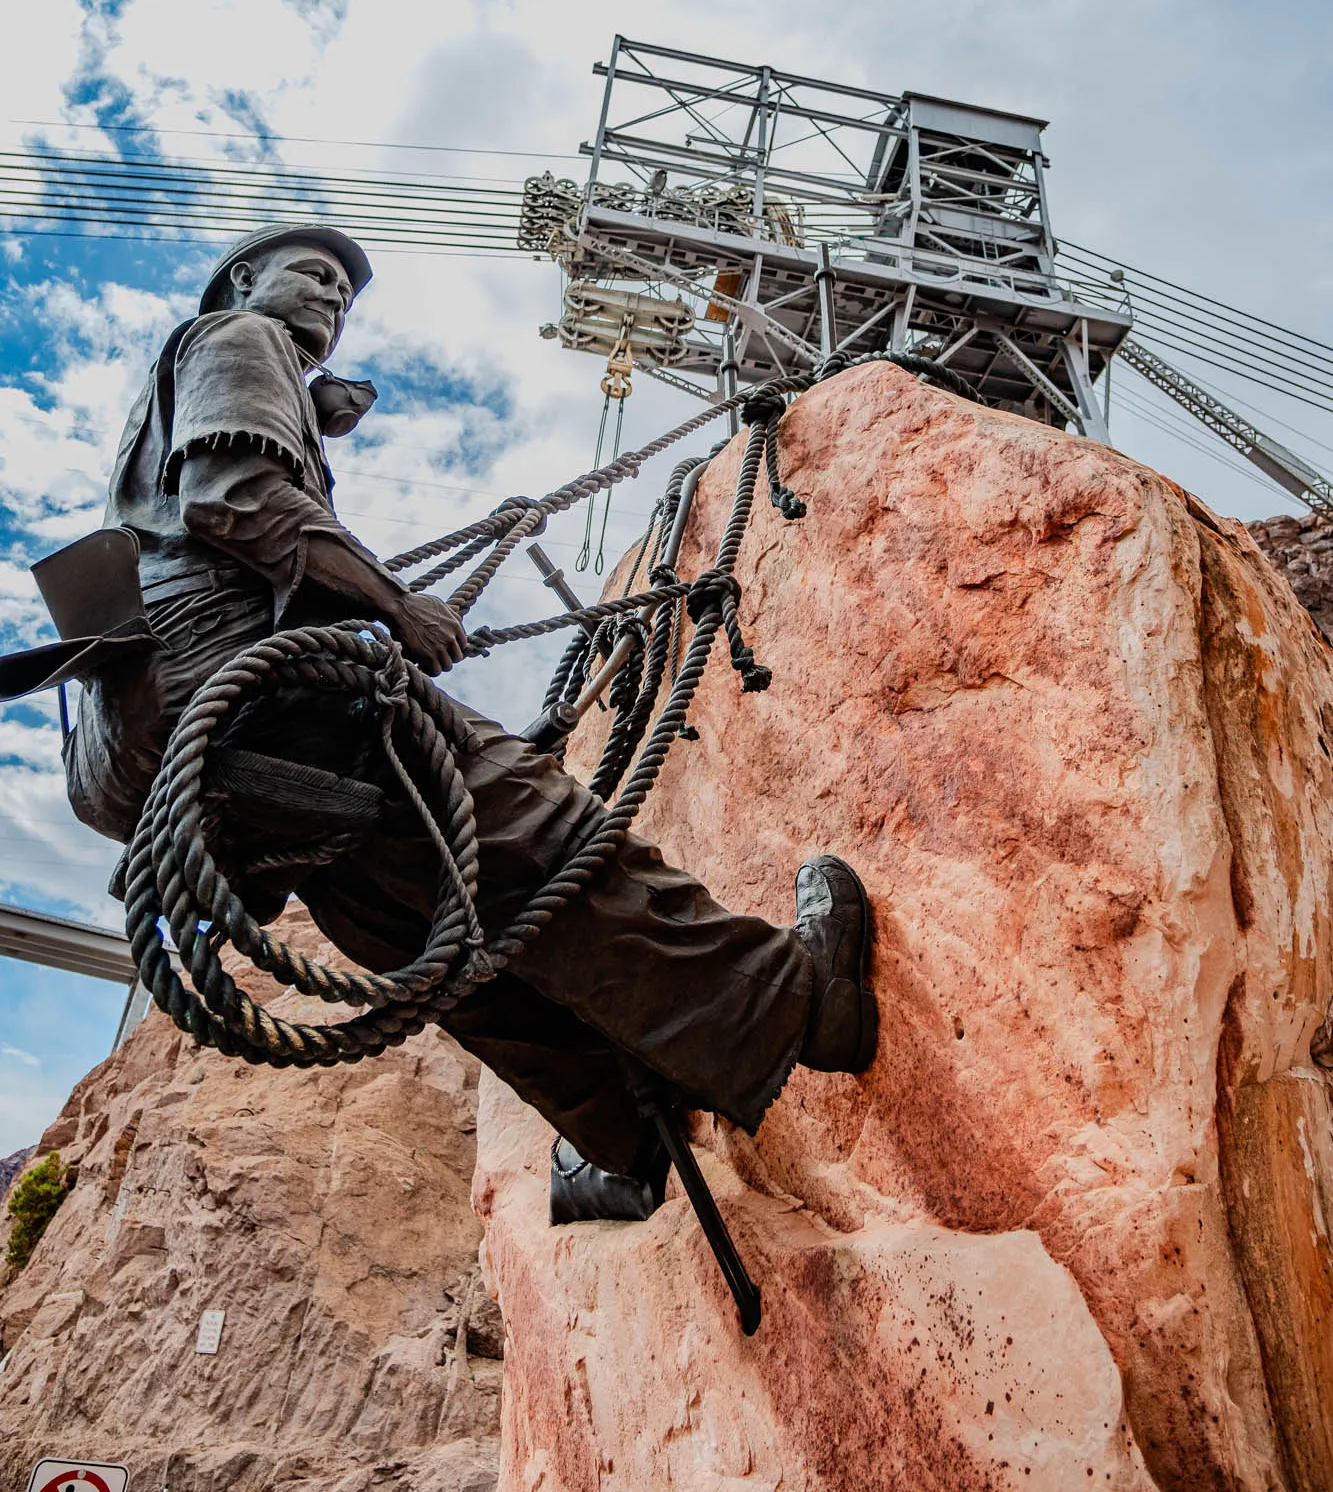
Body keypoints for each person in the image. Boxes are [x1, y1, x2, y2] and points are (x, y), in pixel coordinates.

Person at [61, 224, 877, 1213]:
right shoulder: (235, 334)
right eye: (313, 276)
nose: (331, 301)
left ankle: (620, 1128)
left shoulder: (182, 389)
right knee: (540, 828)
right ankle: (791, 1002)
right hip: (272, 701)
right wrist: (395, 605)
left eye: (345, 293)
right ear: (242, 279)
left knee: (432, 936)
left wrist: (319, 422)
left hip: (193, 759)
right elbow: (237, 497)